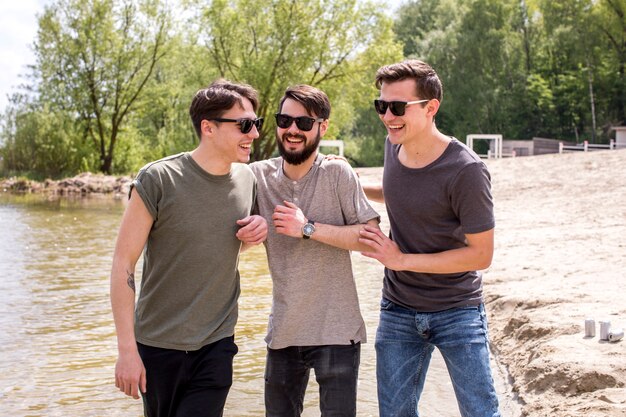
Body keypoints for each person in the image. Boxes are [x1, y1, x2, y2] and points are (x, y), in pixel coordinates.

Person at [110, 79, 268, 417]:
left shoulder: (247, 180)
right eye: (244, 125)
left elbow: (223, 247)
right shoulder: (157, 179)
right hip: (157, 345)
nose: (254, 134)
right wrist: (127, 350)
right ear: (208, 127)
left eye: (256, 124)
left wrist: (255, 234)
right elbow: (123, 263)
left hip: (217, 343)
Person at [359, 60, 500, 417]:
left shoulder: (466, 170)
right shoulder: (394, 144)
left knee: (480, 412)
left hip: (458, 310)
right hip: (398, 307)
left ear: (431, 107)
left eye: (397, 107)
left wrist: (401, 260)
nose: (387, 116)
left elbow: (480, 255)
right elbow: (400, 192)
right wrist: (352, 182)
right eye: (382, 106)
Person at [249, 84, 380, 417]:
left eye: (304, 123)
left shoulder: (338, 172)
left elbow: (371, 236)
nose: (293, 130)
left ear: (323, 127)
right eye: (284, 120)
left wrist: (307, 229)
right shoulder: (256, 177)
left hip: (337, 332)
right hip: (284, 333)